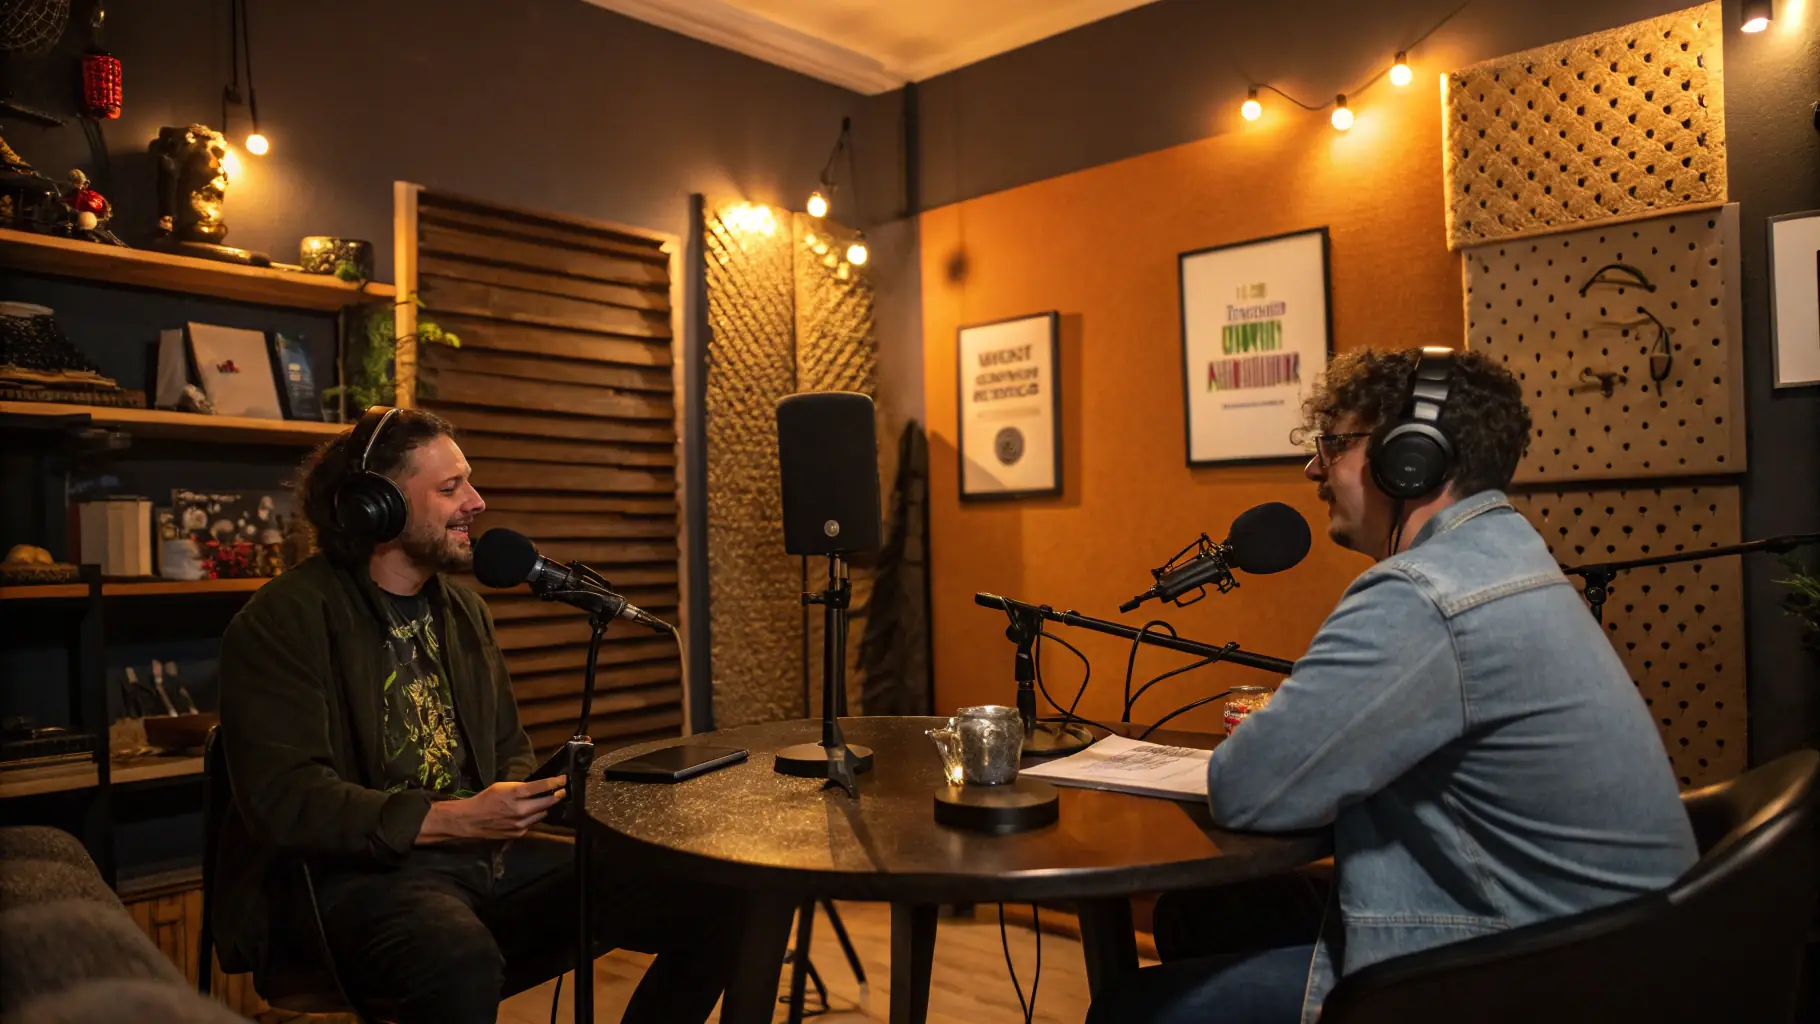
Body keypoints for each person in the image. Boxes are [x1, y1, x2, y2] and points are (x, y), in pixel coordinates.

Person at [1090, 347, 1698, 1024]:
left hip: (1529, 979)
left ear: (1411, 458)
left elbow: (1246, 788)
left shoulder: (1424, 594)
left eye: (1333, 444)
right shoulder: (1507, 555)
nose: (1313, 468)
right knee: (1209, 912)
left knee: (1129, 1009)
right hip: (1618, 957)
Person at [215, 407, 734, 1024]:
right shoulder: (282, 621)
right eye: (449, 488)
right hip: (356, 879)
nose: (477, 502)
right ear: (374, 505)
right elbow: (289, 800)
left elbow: (507, 745)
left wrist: (521, 796)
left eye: (470, 483)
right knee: (457, 960)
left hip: (481, 859)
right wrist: (454, 819)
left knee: (717, 893)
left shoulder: (463, 614)